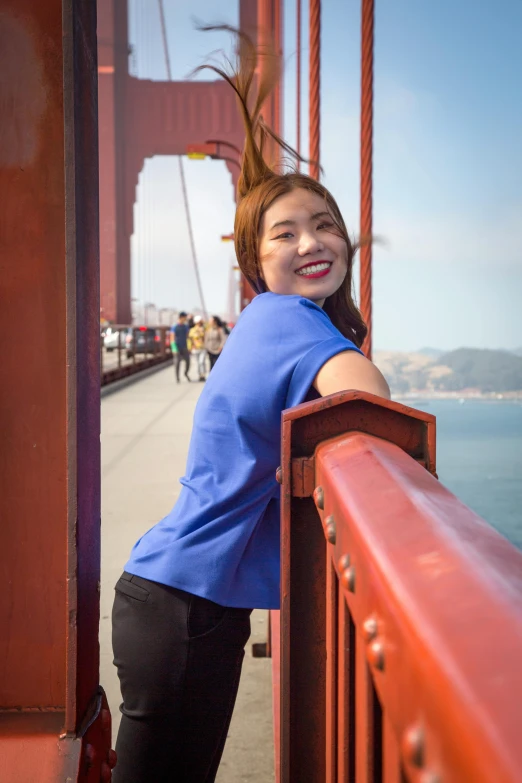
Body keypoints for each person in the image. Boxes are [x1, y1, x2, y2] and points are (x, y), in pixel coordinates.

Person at [112, 29, 389, 783]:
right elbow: (371, 399)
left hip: (176, 599)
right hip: (185, 608)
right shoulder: (288, 318)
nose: (312, 242)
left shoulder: (271, 323)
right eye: (285, 232)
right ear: (254, 261)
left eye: (325, 224)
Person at [171, 311, 191, 382]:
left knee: (188, 361)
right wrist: (174, 348)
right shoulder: (174, 327)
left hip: (184, 346)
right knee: (177, 363)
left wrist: (189, 346)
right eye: (185, 318)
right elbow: (172, 338)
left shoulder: (185, 326)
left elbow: (188, 336)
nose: (185, 319)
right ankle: (177, 377)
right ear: (181, 318)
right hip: (177, 347)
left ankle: (186, 373)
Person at [188, 315, 207, 382]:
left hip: (202, 348)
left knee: (201, 362)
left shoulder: (204, 329)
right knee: (197, 363)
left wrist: (204, 322)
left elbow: (208, 328)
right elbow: (190, 339)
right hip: (195, 349)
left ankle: (203, 375)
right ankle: (199, 375)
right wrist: (190, 347)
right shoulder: (192, 330)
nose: (199, 323)